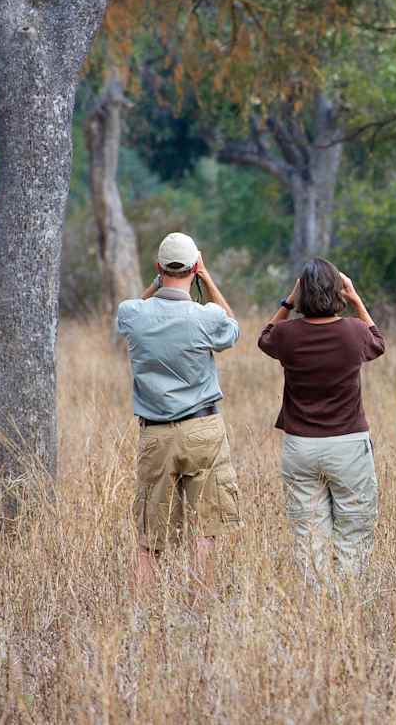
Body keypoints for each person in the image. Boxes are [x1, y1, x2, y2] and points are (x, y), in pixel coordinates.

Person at [116, 232, 241, 583]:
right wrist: (209, 280)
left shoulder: (133, 313)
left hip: (154, 433)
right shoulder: (206, 317)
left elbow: (131, 315)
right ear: (195, 267)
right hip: (203, 430)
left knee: (149, 540)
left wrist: (155, 285)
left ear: (158, 268)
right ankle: (201, 611)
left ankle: (142, 617)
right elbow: (232, 329)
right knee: (205, 533)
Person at [258, 258, 386, 581]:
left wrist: (289, 299)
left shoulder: (287, 335)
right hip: (348, 445)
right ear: (337, 291)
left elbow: (265, 337)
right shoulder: (354, 332)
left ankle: (316, 607)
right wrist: (356, 298)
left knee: (308, 536)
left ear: (302, 293)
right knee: (354, 532)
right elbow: (378, 342)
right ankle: (345, 604)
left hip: (300, 447)